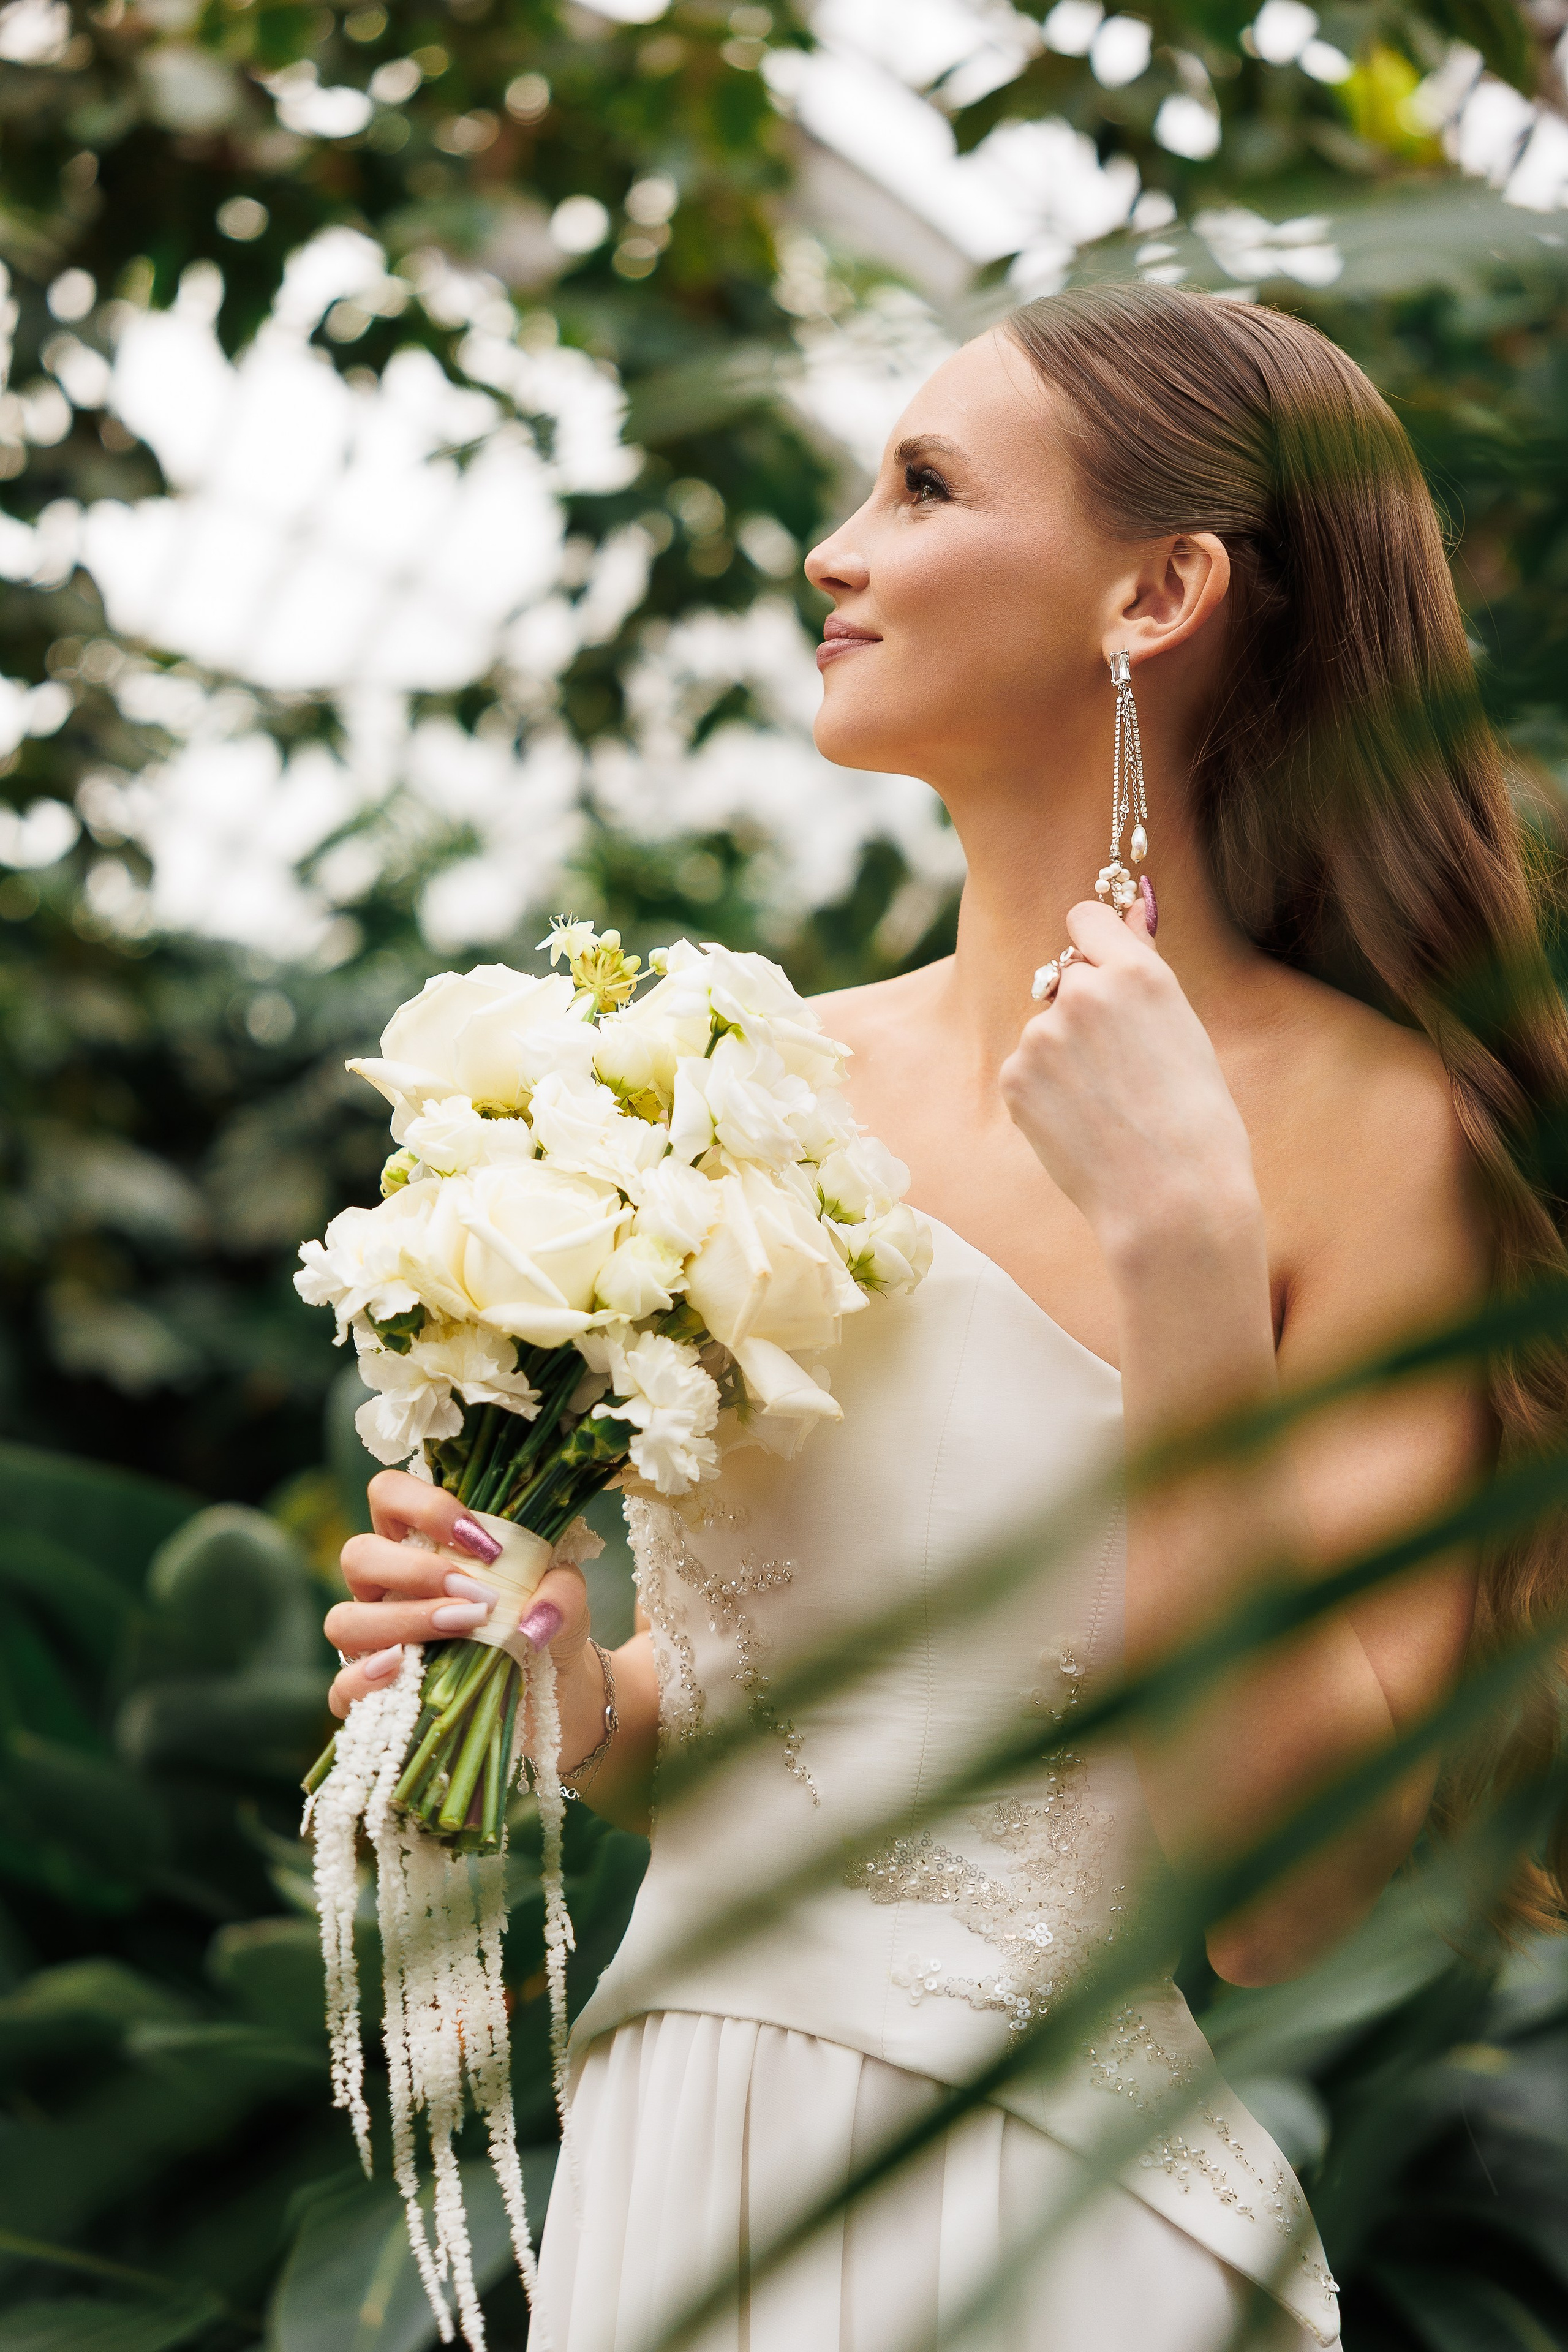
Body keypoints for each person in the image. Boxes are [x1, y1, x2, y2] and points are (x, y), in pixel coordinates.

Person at [322, 286, 1568, 2351]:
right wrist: (568, 1694)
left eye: (922, 486)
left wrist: (1184, 1250)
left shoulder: (1372, 1131)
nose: (837, 549)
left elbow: (1288, 1905)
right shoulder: (745, 1078)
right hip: (670, 2185)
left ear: (1156, 591)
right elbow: (749, 1725)